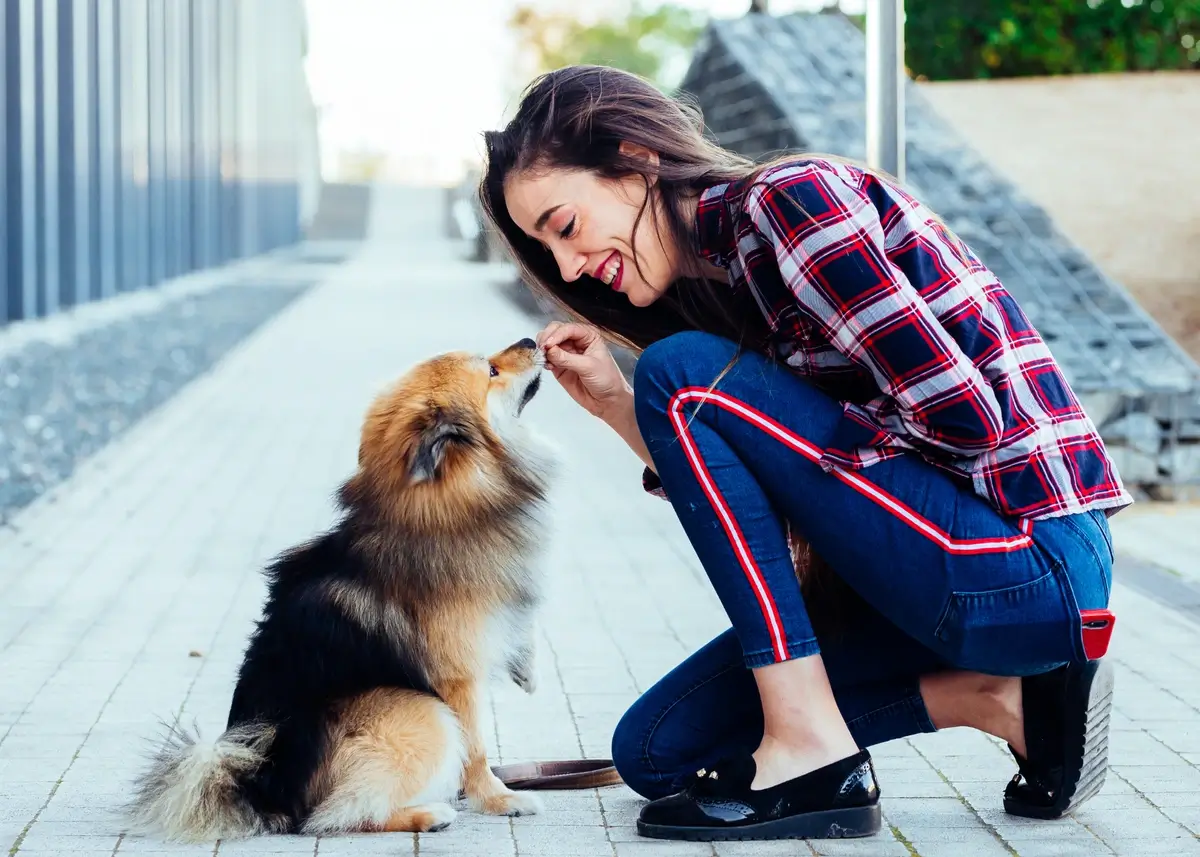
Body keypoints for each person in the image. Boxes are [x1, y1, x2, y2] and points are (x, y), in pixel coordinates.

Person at [478, 64, 1129, 842]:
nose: (571, 267)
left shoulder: (794, 203)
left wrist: (801, 454)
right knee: (657, 752)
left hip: (1029, 557)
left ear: (633, 160)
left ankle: (812, 746)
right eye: (548, 253)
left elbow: (968, 419)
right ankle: (1005, 701)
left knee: (680, 373)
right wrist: (622, 405)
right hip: (933, 575)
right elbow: (753, 505)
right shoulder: (725, 289)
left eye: (564, 226)